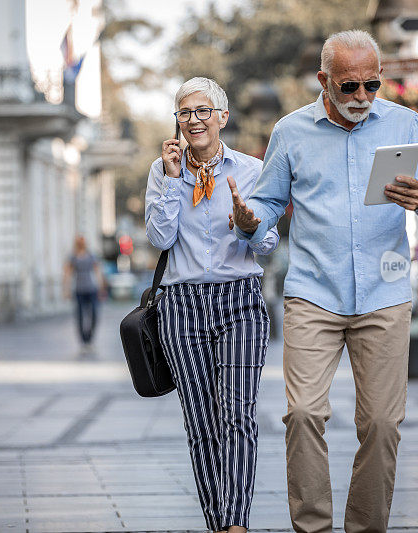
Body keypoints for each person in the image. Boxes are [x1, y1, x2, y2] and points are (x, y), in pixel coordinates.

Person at [229, 30, 418, 533]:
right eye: (349, 86)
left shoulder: (404, 122)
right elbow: (267, 204)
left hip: (384, 292)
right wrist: (250, 220)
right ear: (323, 81)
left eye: (371, 85)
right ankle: (313, 528)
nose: (361, 97)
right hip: (314, 293)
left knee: (380, 423)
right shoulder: (291, 132)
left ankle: (365, 528)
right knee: (304, 414)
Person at [145, 77, 279, 533]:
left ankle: (236, 524)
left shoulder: (250, 171)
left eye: (204, 111)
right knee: (201, 424)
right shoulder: (163, 171)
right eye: (185, 113)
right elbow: (160, 238)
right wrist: (169, 181)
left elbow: (268, 243)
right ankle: (218, 524)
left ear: (223, 117)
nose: (194, 120)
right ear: (177, 122)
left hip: (239, 300)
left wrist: (248, 225)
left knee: (238, 414)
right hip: (181, 307)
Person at [63, 235, 105, 353]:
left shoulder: (91, 255)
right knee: (80, 317)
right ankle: (84, 342)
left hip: (92, 289)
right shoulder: (73, 257)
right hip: (79, 290)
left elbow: (97, 271)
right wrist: (66, 289)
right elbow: (67, 274)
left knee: (94, 315)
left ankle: (90, 339)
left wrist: (101, 287)